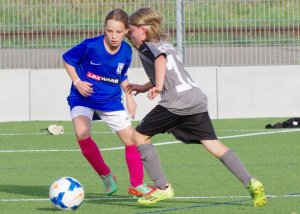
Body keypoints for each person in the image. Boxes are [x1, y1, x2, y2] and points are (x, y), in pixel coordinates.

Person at [126, 7, 267, 206]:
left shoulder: (148, 47)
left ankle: (162, 187)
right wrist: (145, 86)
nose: (130, 35)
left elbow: (160, 61)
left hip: (176, 102)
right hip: (195, 98)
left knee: (139, 136)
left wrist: (157, 87)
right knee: (214, 145)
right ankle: (251, 181)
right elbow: (168, 69)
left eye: (132, 30)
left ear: (143, 29)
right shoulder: (164, 43)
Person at [62, 8, 152, 197]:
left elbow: (120, 75)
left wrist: (129, 96)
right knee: (81, 133)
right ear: (105, 29)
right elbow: (67, 59)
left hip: (110, 100)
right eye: (109, 31)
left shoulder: (127, 51)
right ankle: (105, 175)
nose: (113, 36)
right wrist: (77, 82)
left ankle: (137, 184)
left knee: (132, 141)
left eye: (118, 32)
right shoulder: (91, 46)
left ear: (126, 31)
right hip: (83, 97)